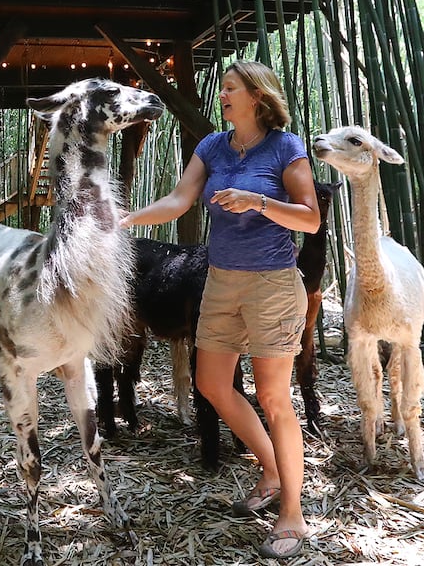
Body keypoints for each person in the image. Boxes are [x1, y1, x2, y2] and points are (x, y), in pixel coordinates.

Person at [120, 60, 320, 559]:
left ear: (257, 96)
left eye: (231, 89)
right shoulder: (211, 146)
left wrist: (257, 201)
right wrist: (124, 220)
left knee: (274, 398)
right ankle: (272, 469)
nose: (223, 95)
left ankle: (292, 514)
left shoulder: (286, 147)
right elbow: (178, 200)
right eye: (224, 89)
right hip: (220, 281)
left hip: (272, 284)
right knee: (210, 384)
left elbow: (311, 219)